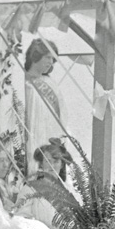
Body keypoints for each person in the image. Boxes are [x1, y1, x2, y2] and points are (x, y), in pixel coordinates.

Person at [24, 39, 67, 174]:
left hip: (49, 136)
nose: (50, 62)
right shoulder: (22, 80)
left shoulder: (51, 83)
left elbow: (62, 114)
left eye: (53, 59)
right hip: (30, 133)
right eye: (48, 57)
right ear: (36, 55)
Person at [15, 139, 74, 229]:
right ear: (41, 164)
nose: (52, 166)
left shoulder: (69, 191)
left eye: (56, 162)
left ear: (62, 164)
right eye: (48, 161)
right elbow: (20, 221)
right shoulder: (30, 189)